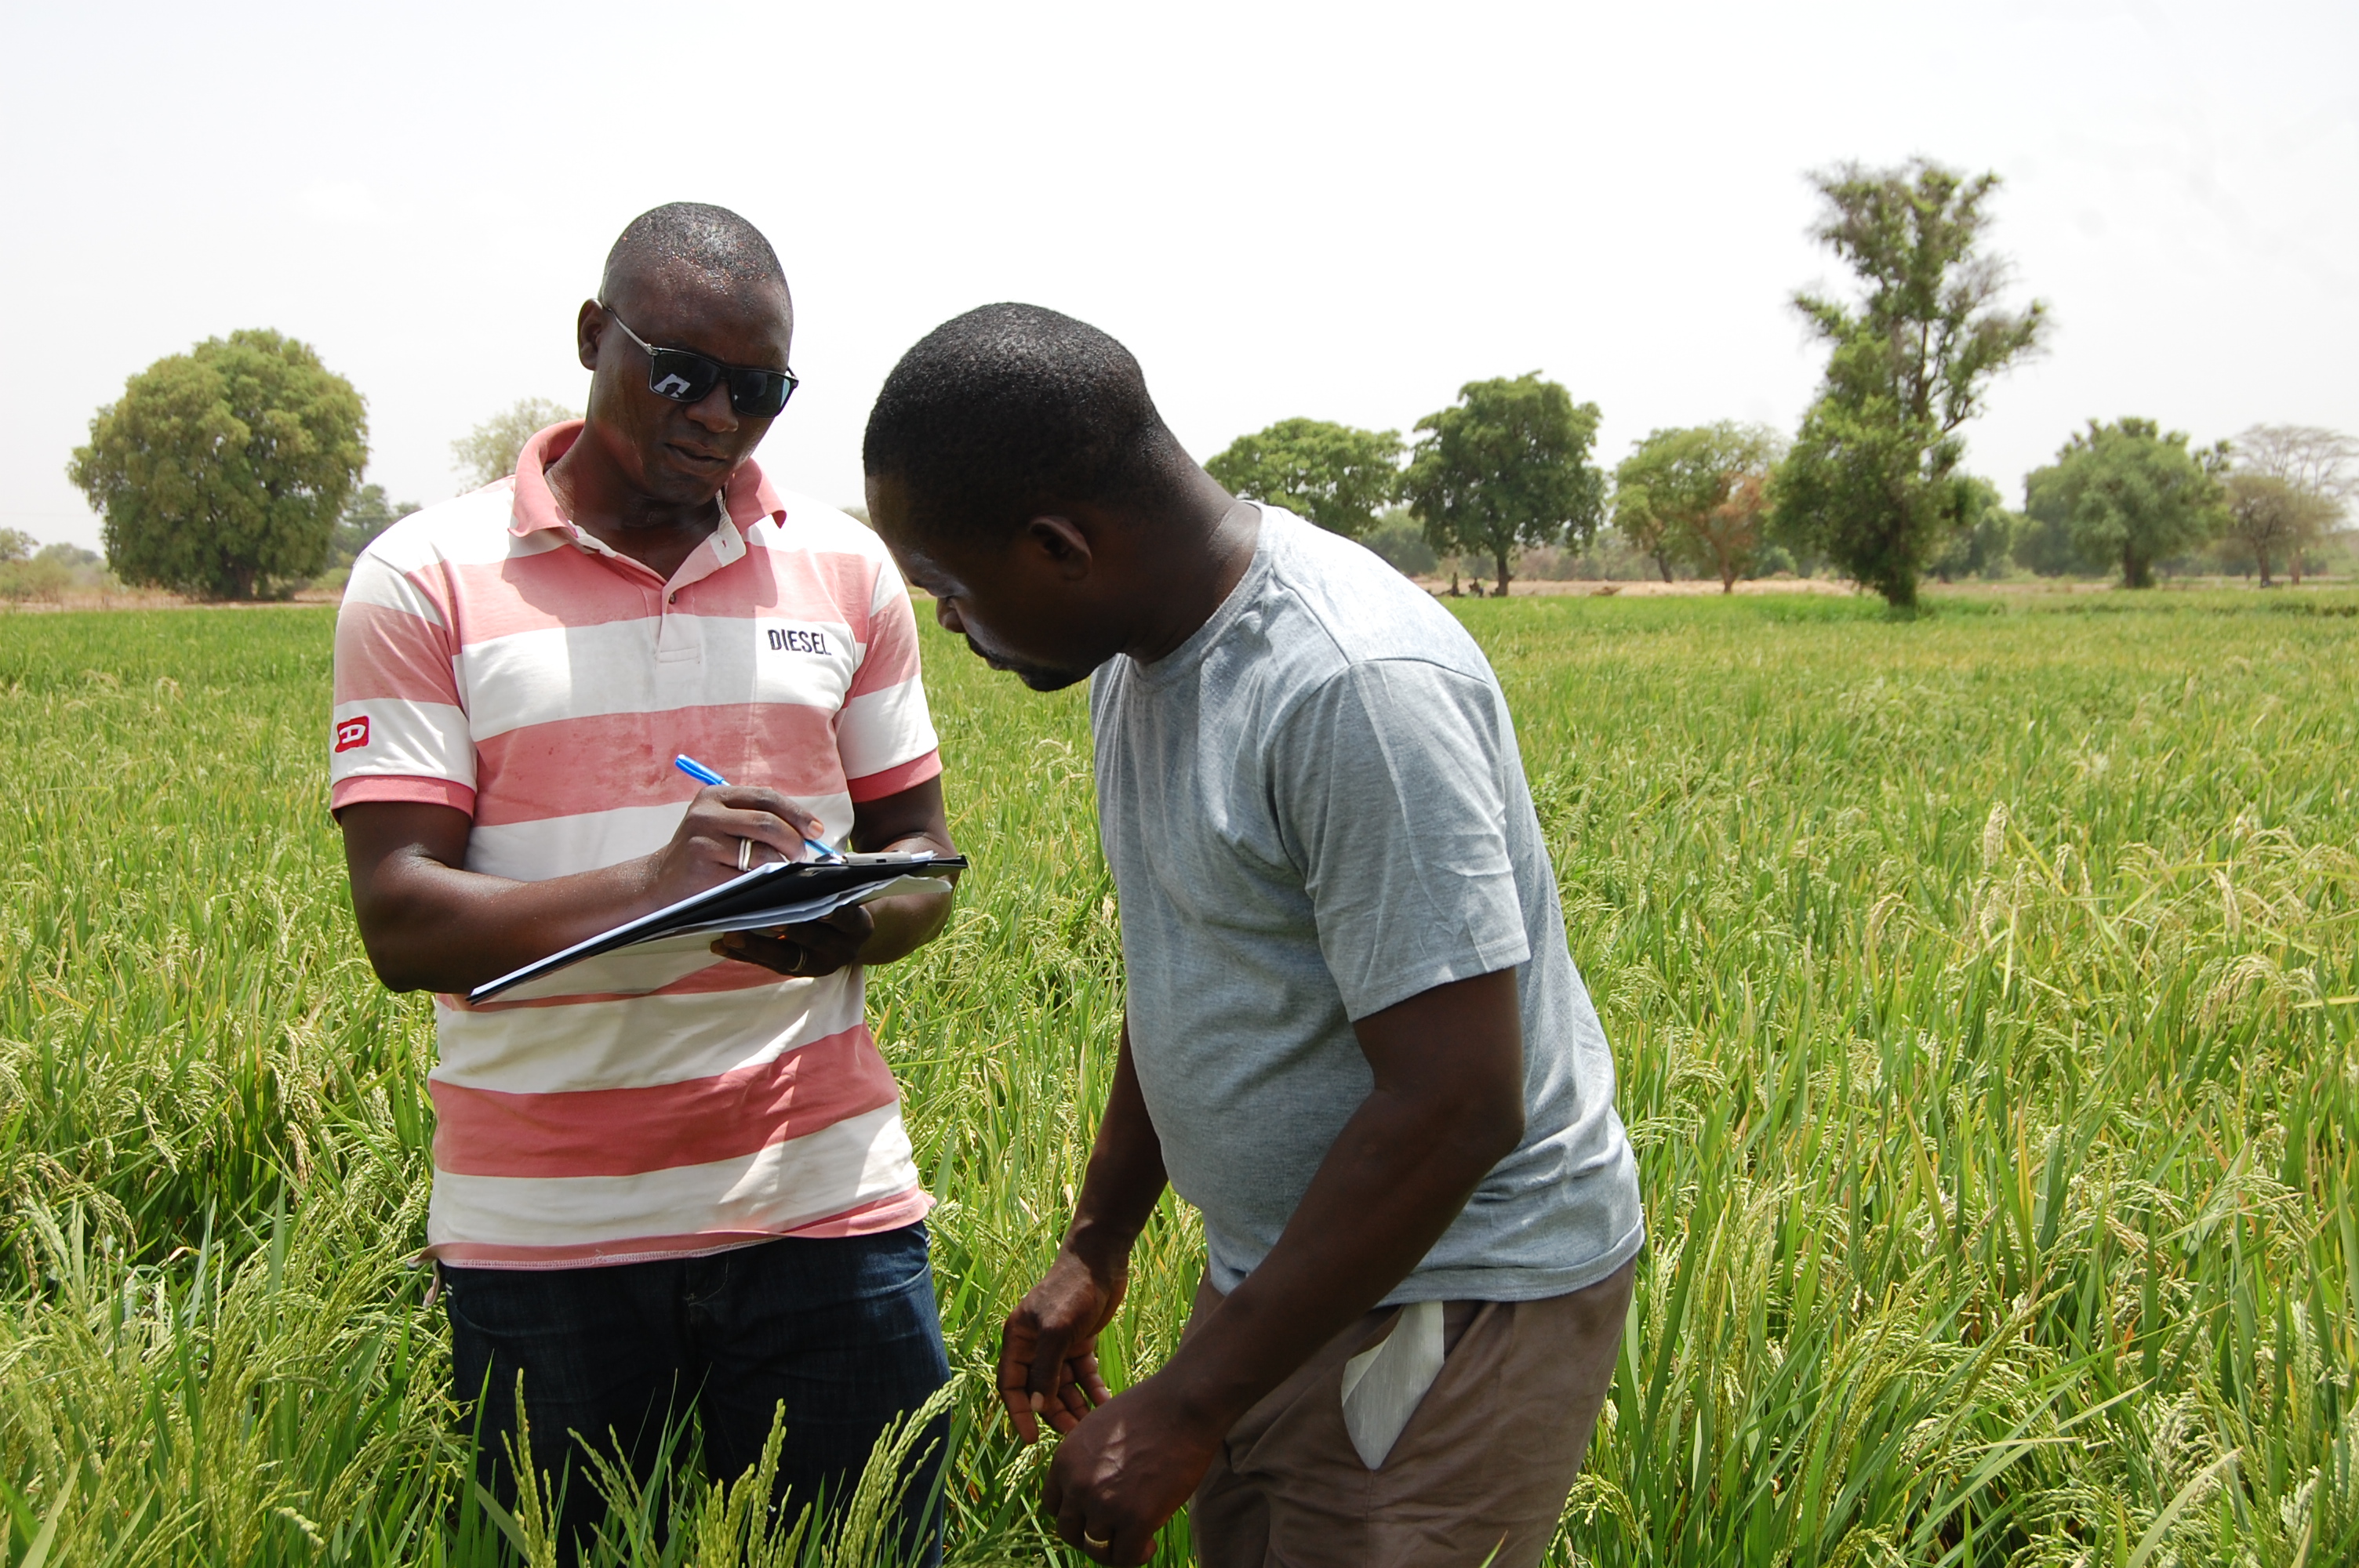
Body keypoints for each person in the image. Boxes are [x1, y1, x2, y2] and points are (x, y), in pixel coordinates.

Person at [860, 303, 1647, 1568]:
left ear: (1060, 546)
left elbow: (1456, 1103)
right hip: (1290, 1277)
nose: (949, 621)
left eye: (951, 587)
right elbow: (1191, 968)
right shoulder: (1138, 660)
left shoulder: (1352, 686)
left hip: (1448, 1293)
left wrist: (1189, 1401)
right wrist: (1098, 1242)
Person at [332, 203, 957, 1561]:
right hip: (543, 1231)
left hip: (824, 1204)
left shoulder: (844, 568)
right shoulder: (426, 578)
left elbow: (923, 855)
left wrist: (849, 922)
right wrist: (661, 882)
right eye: (682, 373)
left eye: (761, 390)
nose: (719, 417)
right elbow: (402, 919)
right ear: (591, 338)